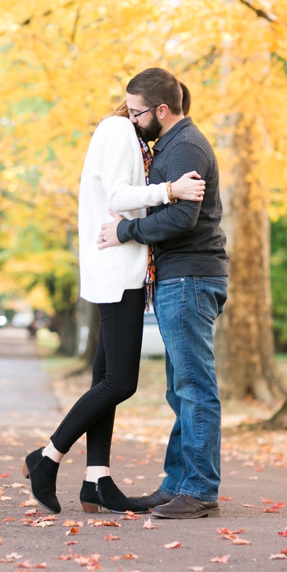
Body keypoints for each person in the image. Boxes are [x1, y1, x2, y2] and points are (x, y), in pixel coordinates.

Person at [22, 101, 206, 515]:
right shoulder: (119, 130)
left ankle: (97, 480)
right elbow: (118, 195)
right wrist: (170, 190)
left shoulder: (125, 135)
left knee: (105, 378)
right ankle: (47, 457)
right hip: (118, 269)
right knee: (121, 382)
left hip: (122, 269)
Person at [98, 68, 229, 519]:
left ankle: (199, 490)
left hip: (191, 278)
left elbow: (181, 220)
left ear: (161, 110)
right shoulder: (172, 146)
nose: (132, 121)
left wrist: (124, 231)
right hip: (182, 278)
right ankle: (177, 484)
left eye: (136, 113)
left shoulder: (184, 148)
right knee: (181, 389)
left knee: (195, 388)